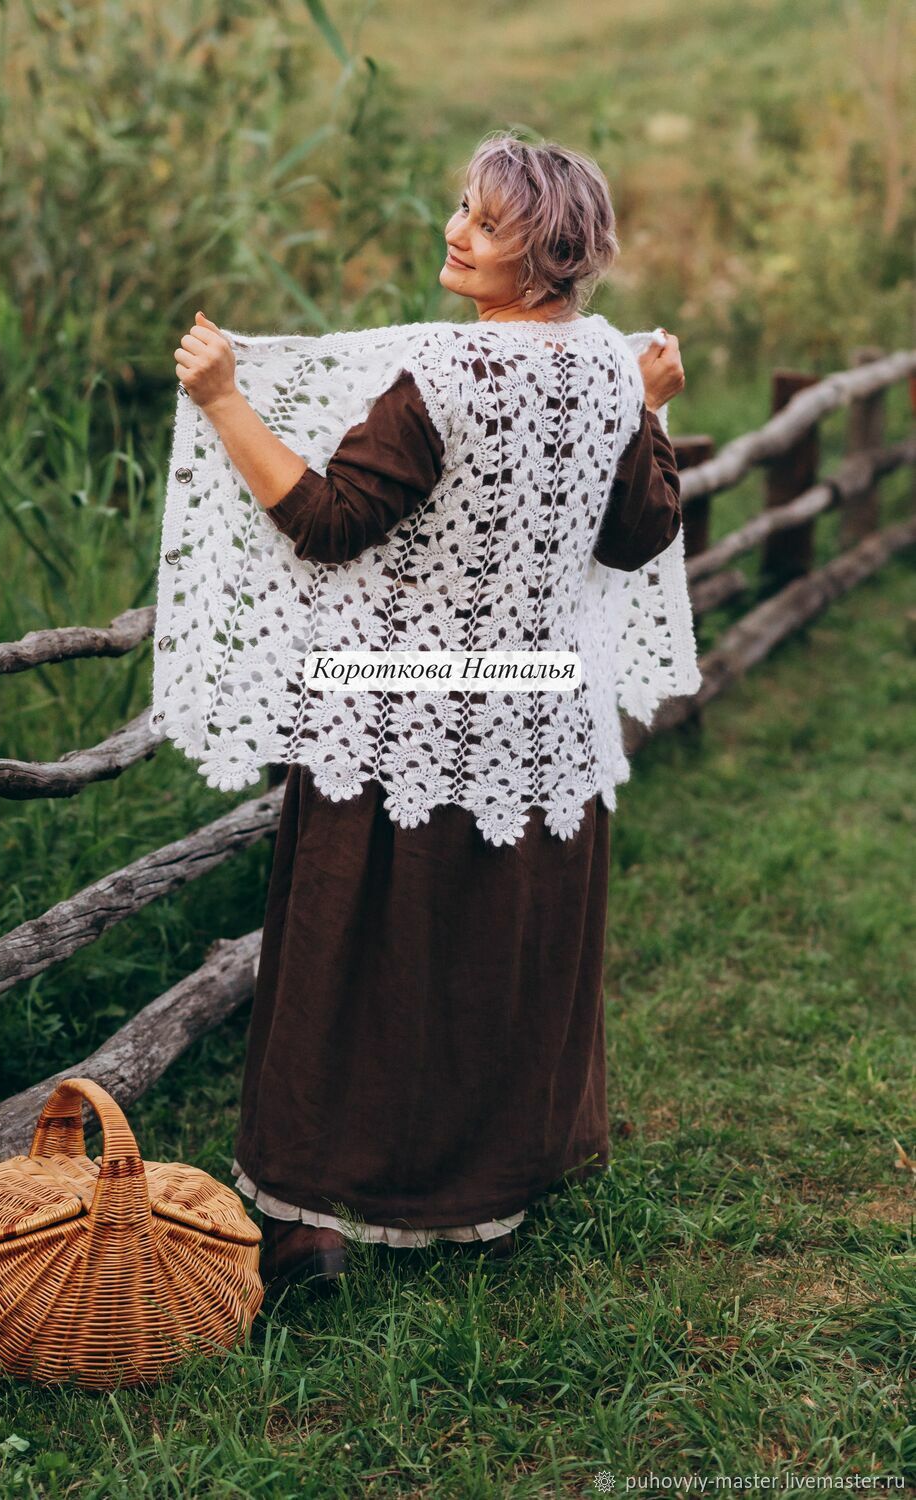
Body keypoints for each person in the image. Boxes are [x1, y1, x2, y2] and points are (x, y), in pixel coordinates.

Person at [172, 132, 687, 1296]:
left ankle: (316, 1214)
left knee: (363, 969)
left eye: (487, 222)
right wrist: (646, 410)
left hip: (398, 718)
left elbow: (325, 520)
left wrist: (222, 400)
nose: (456, 230)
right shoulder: (611, 371)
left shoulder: (444, 378)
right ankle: (493, 1185)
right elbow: (636, 536)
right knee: (494, 961)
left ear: (545, 251)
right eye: (461, 206)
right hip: (538, 724)